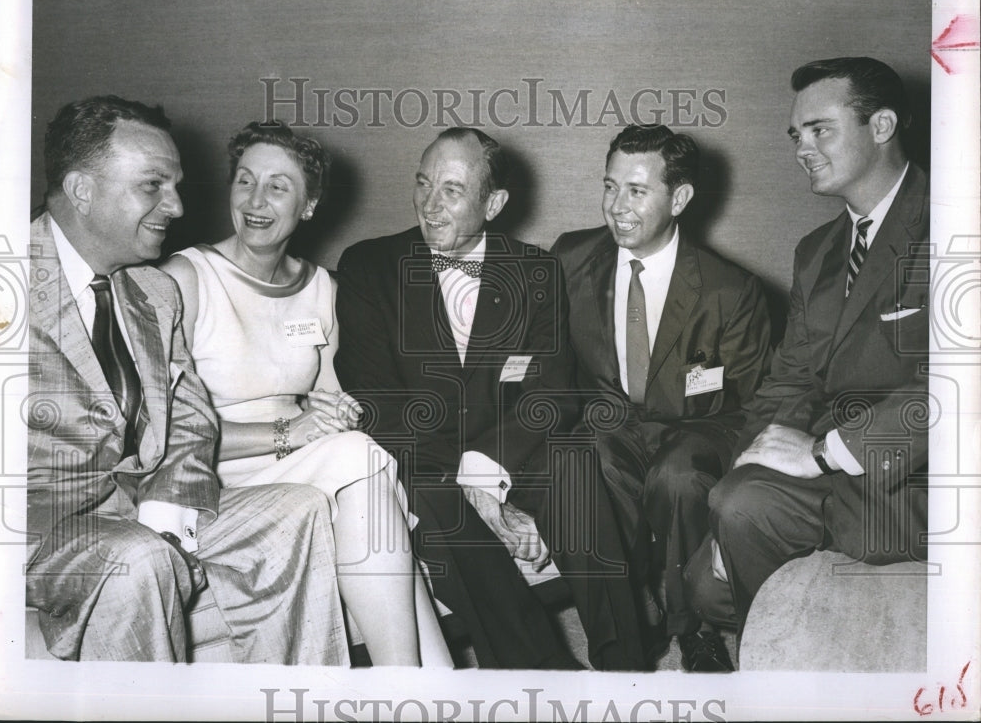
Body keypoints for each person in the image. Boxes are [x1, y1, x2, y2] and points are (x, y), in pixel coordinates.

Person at [26, 96, 347, 663]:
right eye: (153, 186)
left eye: (176, 185)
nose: (175, 205)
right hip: (33, 531)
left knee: (297, 511)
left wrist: (168, 511)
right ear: (81, 189)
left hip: (135, 510)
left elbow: (191, 420)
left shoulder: (152, 292)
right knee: (140, 560)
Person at [334, 127, 648, 671]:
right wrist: (469, 487)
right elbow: (374, 399)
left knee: (572, 466)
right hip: (419, 461)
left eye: (452, 191)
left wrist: (484, 472)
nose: (430, 206)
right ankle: (545, 674)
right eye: (423, 184)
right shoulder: (369, 266)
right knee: (439, 506)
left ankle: (628, 667)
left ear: (494, 203)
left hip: (508, 451)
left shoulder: (535, 269)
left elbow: (550, 394)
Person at [161, 120, 452, 667]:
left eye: (278, 186)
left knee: (361, 461)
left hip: (296, 463)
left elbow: (332, 401)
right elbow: (161, 436)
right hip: (212, 475)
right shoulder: (186, 278)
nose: (256, 200)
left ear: (309, 205)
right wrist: (290, 431)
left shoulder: (323, 288)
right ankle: (418, 683)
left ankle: (420, 686)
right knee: (359, 459)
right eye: (245, 181)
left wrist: (340, 410)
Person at [702, 56, 930, 643]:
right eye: (795, 134)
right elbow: (791, 379)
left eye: (820, 129)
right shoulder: (818, 251)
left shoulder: (957, 224)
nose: (802, 147)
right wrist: (742, 476)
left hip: (923, 476)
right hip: (834, 468)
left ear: (881, 127)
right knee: (715, 552)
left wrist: (827, 453)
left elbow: (958, 392)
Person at [550, 124, 772, 672]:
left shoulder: (732, 290)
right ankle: (626, 632)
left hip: (701, 426)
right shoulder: (570, 258)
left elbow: (756, 401)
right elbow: (547, 362)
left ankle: (693, 626)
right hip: (610, 421)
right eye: (609, 187)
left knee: (678, 477)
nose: (615, 207)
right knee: (585, 461)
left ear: (680, 198)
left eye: (636, 190)